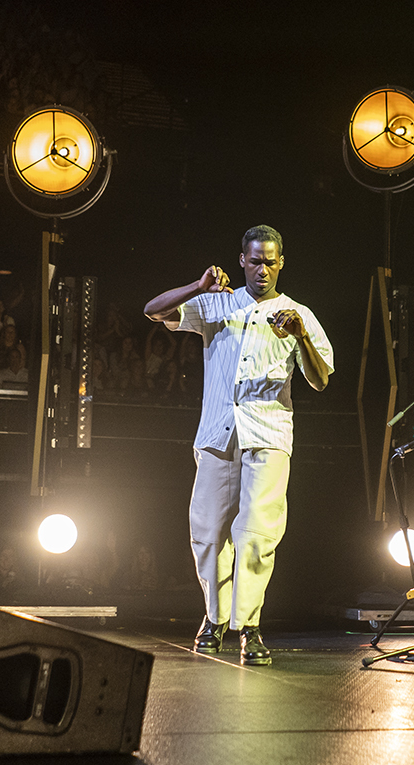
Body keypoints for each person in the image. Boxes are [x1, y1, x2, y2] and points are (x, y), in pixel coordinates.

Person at [144, 224, 333, 666]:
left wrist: (301, 334)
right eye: (255, 260)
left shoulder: (297, 313)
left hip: (267, 435)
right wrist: (198, 285)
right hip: (218, 433)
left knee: (257, 534)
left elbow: (320, 379)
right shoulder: (217, 303)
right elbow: (153, 311)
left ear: (281, 263)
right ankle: (214, 618)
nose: (262, 268)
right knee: (208, 533)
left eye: (270, 260)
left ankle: (249, 626)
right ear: (242, 261)